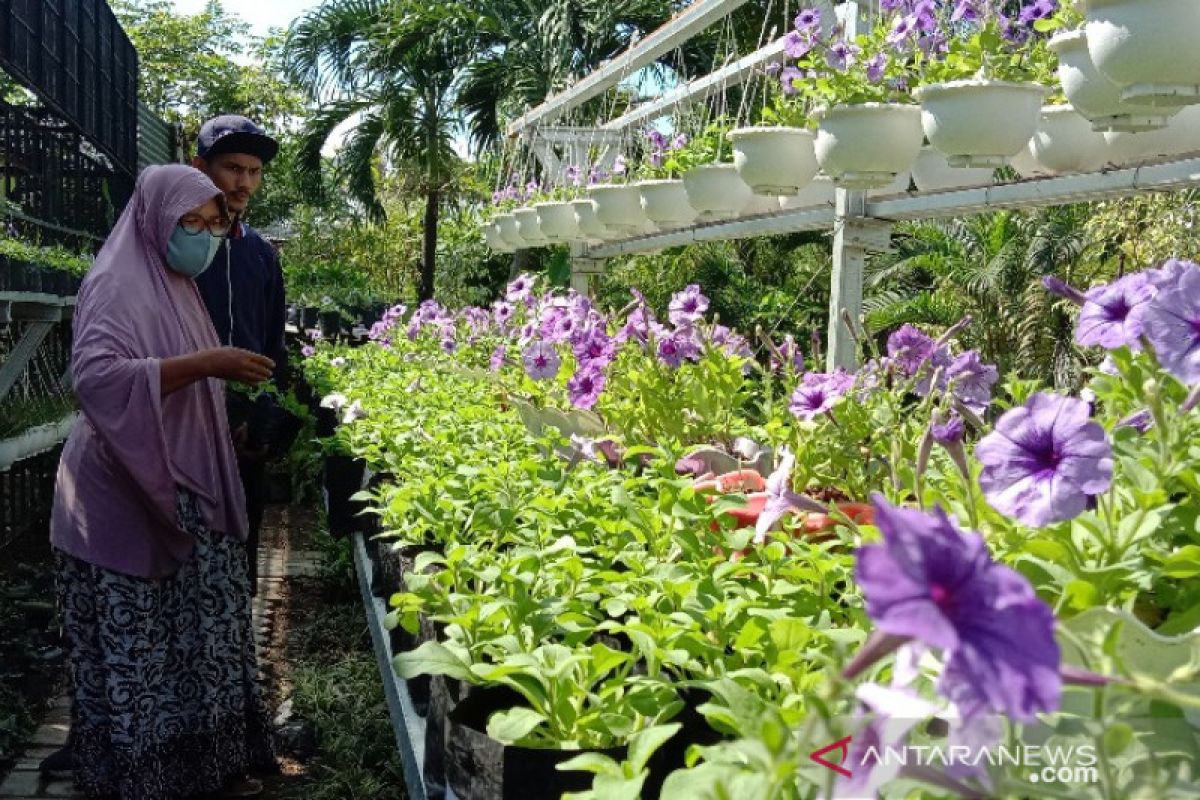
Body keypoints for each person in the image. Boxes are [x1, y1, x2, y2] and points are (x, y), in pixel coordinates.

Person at [49, 164, 277, 799]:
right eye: (190, 223)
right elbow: (97, 380)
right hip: (121, 490)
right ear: (154, 218)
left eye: (211, 225)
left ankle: (198, 768)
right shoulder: (117, 285)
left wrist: (212, 421)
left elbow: (176, 383)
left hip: (180, 476)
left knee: (193, 638)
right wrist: (209, 363)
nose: (202, 237)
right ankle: (144, 778)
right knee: (141, 642)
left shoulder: (173, 283)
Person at [191, 115, 287, 592]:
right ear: (198, 167)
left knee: (237, 553)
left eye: (253, 171)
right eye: (232, 167)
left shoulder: (261, 255)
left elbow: (273, 347)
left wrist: (268, 418)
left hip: (242, 439)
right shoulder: (175, 247)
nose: (243, 181)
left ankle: (232, 657)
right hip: (180, 429)